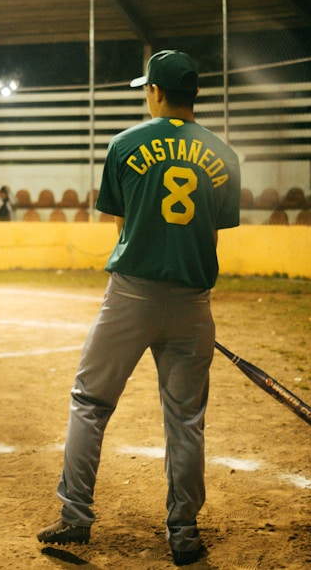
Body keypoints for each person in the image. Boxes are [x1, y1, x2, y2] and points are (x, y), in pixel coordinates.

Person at [37, 50, 241, 566]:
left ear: (155, 92)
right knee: (186, 419)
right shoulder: (225, 155)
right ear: (193, 94)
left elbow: (123, 223)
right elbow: (209, 233)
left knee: (90, 402)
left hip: (130, 296)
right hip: (193, 301)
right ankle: (184, 533)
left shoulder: (126, 144)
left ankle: (76, 517)